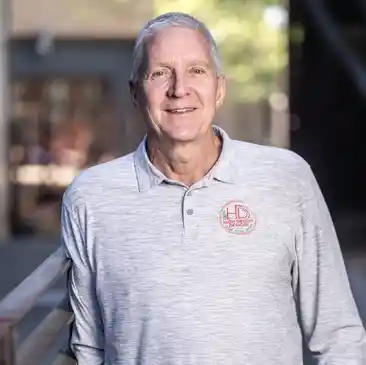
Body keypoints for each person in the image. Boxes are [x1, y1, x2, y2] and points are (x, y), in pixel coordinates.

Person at [61, 12, 366, 365]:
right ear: (135, 92)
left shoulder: (286, 178)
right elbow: (88, 349)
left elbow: (337, 333)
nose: (179, 89)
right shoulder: (90, 198)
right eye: (160, 73)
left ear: (219, 88)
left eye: (197, 71)